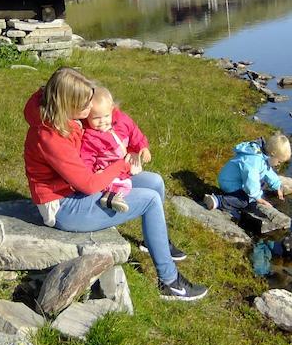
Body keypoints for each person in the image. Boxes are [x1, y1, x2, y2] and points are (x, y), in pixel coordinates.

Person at [23, 67, 206, 301]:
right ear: (68, 105)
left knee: (155, 182)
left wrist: (131, 146)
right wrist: (120, 165)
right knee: (150, 201)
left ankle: (157, 243)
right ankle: (169, 282)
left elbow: (113, 117)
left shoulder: (59, 111)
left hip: (77, 186)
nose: (91, 109)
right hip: (63, 206)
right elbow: (88, 185)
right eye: (86, 106)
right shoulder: (50, 137)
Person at [79, 86, 151, 213]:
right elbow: (86, 157)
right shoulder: (90, 136)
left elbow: (135, 133)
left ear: (112, 110)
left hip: (124, 167)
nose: (102, 122)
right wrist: (91, 174)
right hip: (106, 170)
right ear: (87, 117)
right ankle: (112, 198)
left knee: (128, 181)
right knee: (123, 185)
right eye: (96, 118)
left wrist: (143, 147)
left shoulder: (122, 121)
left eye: (106, 116)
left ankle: (113, 196)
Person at [204, 134, 291, 219]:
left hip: (237, 180)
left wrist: (277, 186)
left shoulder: (262, 156)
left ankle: (248, 195)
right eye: (279, 162)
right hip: (229, 182)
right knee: (244, 201)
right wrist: (257, 197)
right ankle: (217, 200)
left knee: (261, 183)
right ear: (272, 154)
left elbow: (268, 171)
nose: (278, 165)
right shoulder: (254, 160)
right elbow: (251, 180)